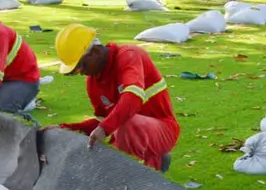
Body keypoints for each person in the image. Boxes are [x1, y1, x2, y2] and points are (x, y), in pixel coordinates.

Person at [51, 24, 180, 171]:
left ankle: (144, 174)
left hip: (163, 129)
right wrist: (67, 128)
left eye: (82, 65)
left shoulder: (129, 55)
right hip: (130, 133)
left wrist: (105, 128)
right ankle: (142, 167)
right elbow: (102, 123)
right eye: (75, 71)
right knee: (111, 135)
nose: (81, 72)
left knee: (126, 124)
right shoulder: (93, 82)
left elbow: (132, 97)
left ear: (95, 51)